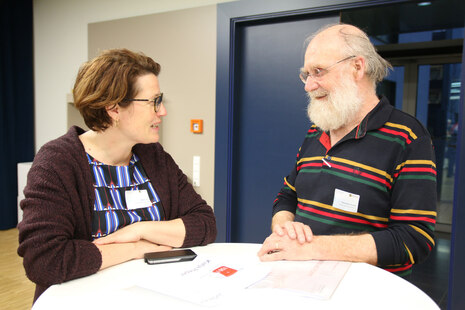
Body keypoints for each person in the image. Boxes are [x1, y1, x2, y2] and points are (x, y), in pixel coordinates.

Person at [17, 48, 217, 302]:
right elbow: (44, 259)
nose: (162, 111)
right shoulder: (58, 163)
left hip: (154, 296)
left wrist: (140, 229)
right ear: (113, 109)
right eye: (154, 101)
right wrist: (135, 249)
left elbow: (205, 223)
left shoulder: (153, 157)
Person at [257, 24, 437, 276]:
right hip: (300, 282)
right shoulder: (316, 131)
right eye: (306, 74)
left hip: (363, 292)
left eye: (318, 71)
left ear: (357, 67)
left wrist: (314, 247)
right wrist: (285, 227)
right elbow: (288, 195)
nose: (308, 86)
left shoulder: (408, 137)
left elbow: (414, 240)